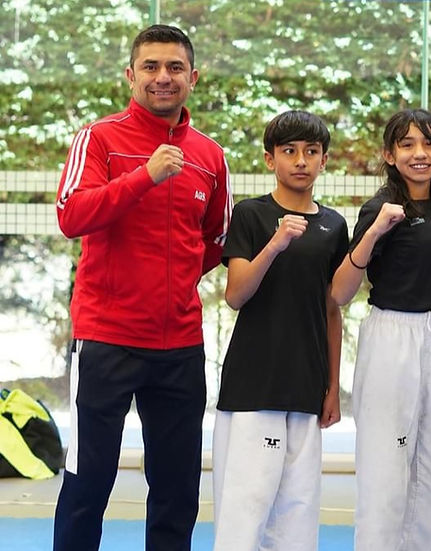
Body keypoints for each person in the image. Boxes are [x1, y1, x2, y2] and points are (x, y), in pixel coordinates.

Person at [52, 24, 232, 551]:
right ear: (131, 75)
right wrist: (143, 177)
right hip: (106, 340)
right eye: (151, 66)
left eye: (175, 67)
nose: (163, 77)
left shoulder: (210, 156)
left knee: (177, 489)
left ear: (193, 78)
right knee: (88, 481)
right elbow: (71, 215)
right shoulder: (98, 138)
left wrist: (171, 284)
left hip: (180, 346)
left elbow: (214, 241)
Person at [331, 109, 431, 551]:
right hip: (391, 337)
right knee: (386, 469)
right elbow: (340, 291)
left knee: (430, 471)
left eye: (428, 143)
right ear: (389, 155)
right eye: (407, 144)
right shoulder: (379, 208)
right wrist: (374, 231)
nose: (419, 153)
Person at [211, 110, 347, 551]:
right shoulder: (251, 215)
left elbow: (332, 310)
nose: (301, 161)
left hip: (306, 387)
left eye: (311, 151)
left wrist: (332, 387)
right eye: (289, 151)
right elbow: (236, 295)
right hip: (254, 386)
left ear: (324, 160)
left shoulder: (333, 226)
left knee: (298, 510)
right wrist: (276, 243)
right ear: (271, 159)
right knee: (245, 509)